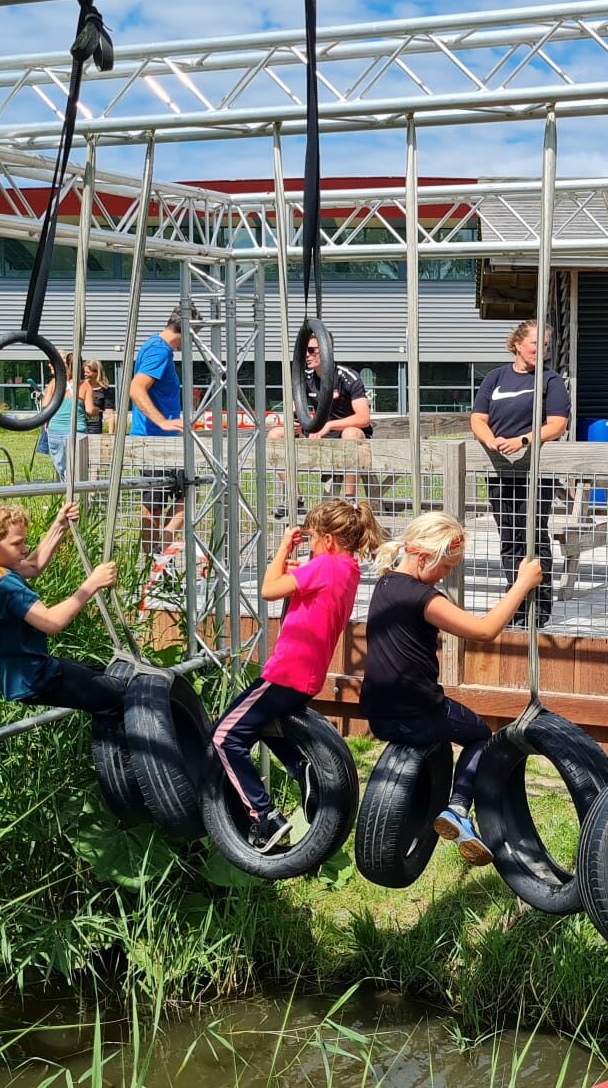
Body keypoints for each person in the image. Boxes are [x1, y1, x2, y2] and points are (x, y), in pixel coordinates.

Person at [362, 511, 542, 866]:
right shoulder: (423, 598)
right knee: (478, 734)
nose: (448, 574)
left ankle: (427, 806)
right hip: (419, 712)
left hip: (379, 715)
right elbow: (485, 630)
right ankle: (459, 808)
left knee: (439, 738)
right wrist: (522, 584)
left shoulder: (385, 583)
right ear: (425, 556)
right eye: (446, 566)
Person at [211, 499, 385, 852]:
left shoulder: (324, 566)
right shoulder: (347, 569)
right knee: (257, 725)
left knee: (224, 736)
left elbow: (268, 589)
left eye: (313, 539)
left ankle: (264, 816)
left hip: (286, 670)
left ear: (330, 540)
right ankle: (299, 766)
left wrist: (282, 548)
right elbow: (305, 593)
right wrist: (298, 568)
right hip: (307, 674)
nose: (310, 545)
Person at [0, 501, 124, 715]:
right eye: (17, 544)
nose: (25, 549)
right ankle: (128, 747)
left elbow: (33, 567)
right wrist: (92, 583)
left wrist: (59, 525)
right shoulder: (2, 583)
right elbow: (51, 622)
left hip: (15, 674)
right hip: (36, 676)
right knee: (120, 694)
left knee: (104, 678)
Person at [469, 320, 570, 630]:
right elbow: (477, 418)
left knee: (533, 535)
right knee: (509, 537)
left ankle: (539, 608)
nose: (542, 350)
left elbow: (556, 424)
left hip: (535, 472)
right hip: (501, 471)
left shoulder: (550, 381)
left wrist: (523, 440)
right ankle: (514, 602)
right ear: (517, 344)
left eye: (547, 346)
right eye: (536, 343)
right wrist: (490, 441)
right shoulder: (495, 378)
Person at [269, 341, 374, 516]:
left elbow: (363, 418)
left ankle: (350, 500)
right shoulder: (305, 378)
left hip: (348, 433)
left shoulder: (347, 377)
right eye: (304, 351)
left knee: (350, 434)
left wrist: (329, 425)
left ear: (326, 351)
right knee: (275, 434)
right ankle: (295, 499)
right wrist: (295, 421)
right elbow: (295, 410)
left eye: (311, 350)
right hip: (319, 434)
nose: (307, 355)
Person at [129, 313, 188, 555]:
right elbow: (136, 388)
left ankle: (159, 551)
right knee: (155, 504)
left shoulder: (157, 347)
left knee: (186, 496)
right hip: (154, 442)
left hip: (166, 443)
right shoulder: (159, 351)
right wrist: (162, 422)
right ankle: (153, 558)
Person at [40, 353, 99, 481]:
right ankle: (77, 496)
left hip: (54, 430)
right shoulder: (85, 385)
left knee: (62, 469)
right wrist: (97, 411)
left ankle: (64, 493)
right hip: (76, 431)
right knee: (77, 468)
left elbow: (45, 405)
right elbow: (89, 410)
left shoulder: (55, 382)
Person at [80, 360, 110, 436]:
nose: (85, 374)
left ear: (96, 373)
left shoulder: (105, 390)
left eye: (88, 372)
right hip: (79, 424)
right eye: (84, 372)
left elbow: (110, 414)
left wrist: (111, 435)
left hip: (95, 427)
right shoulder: (80, 387)